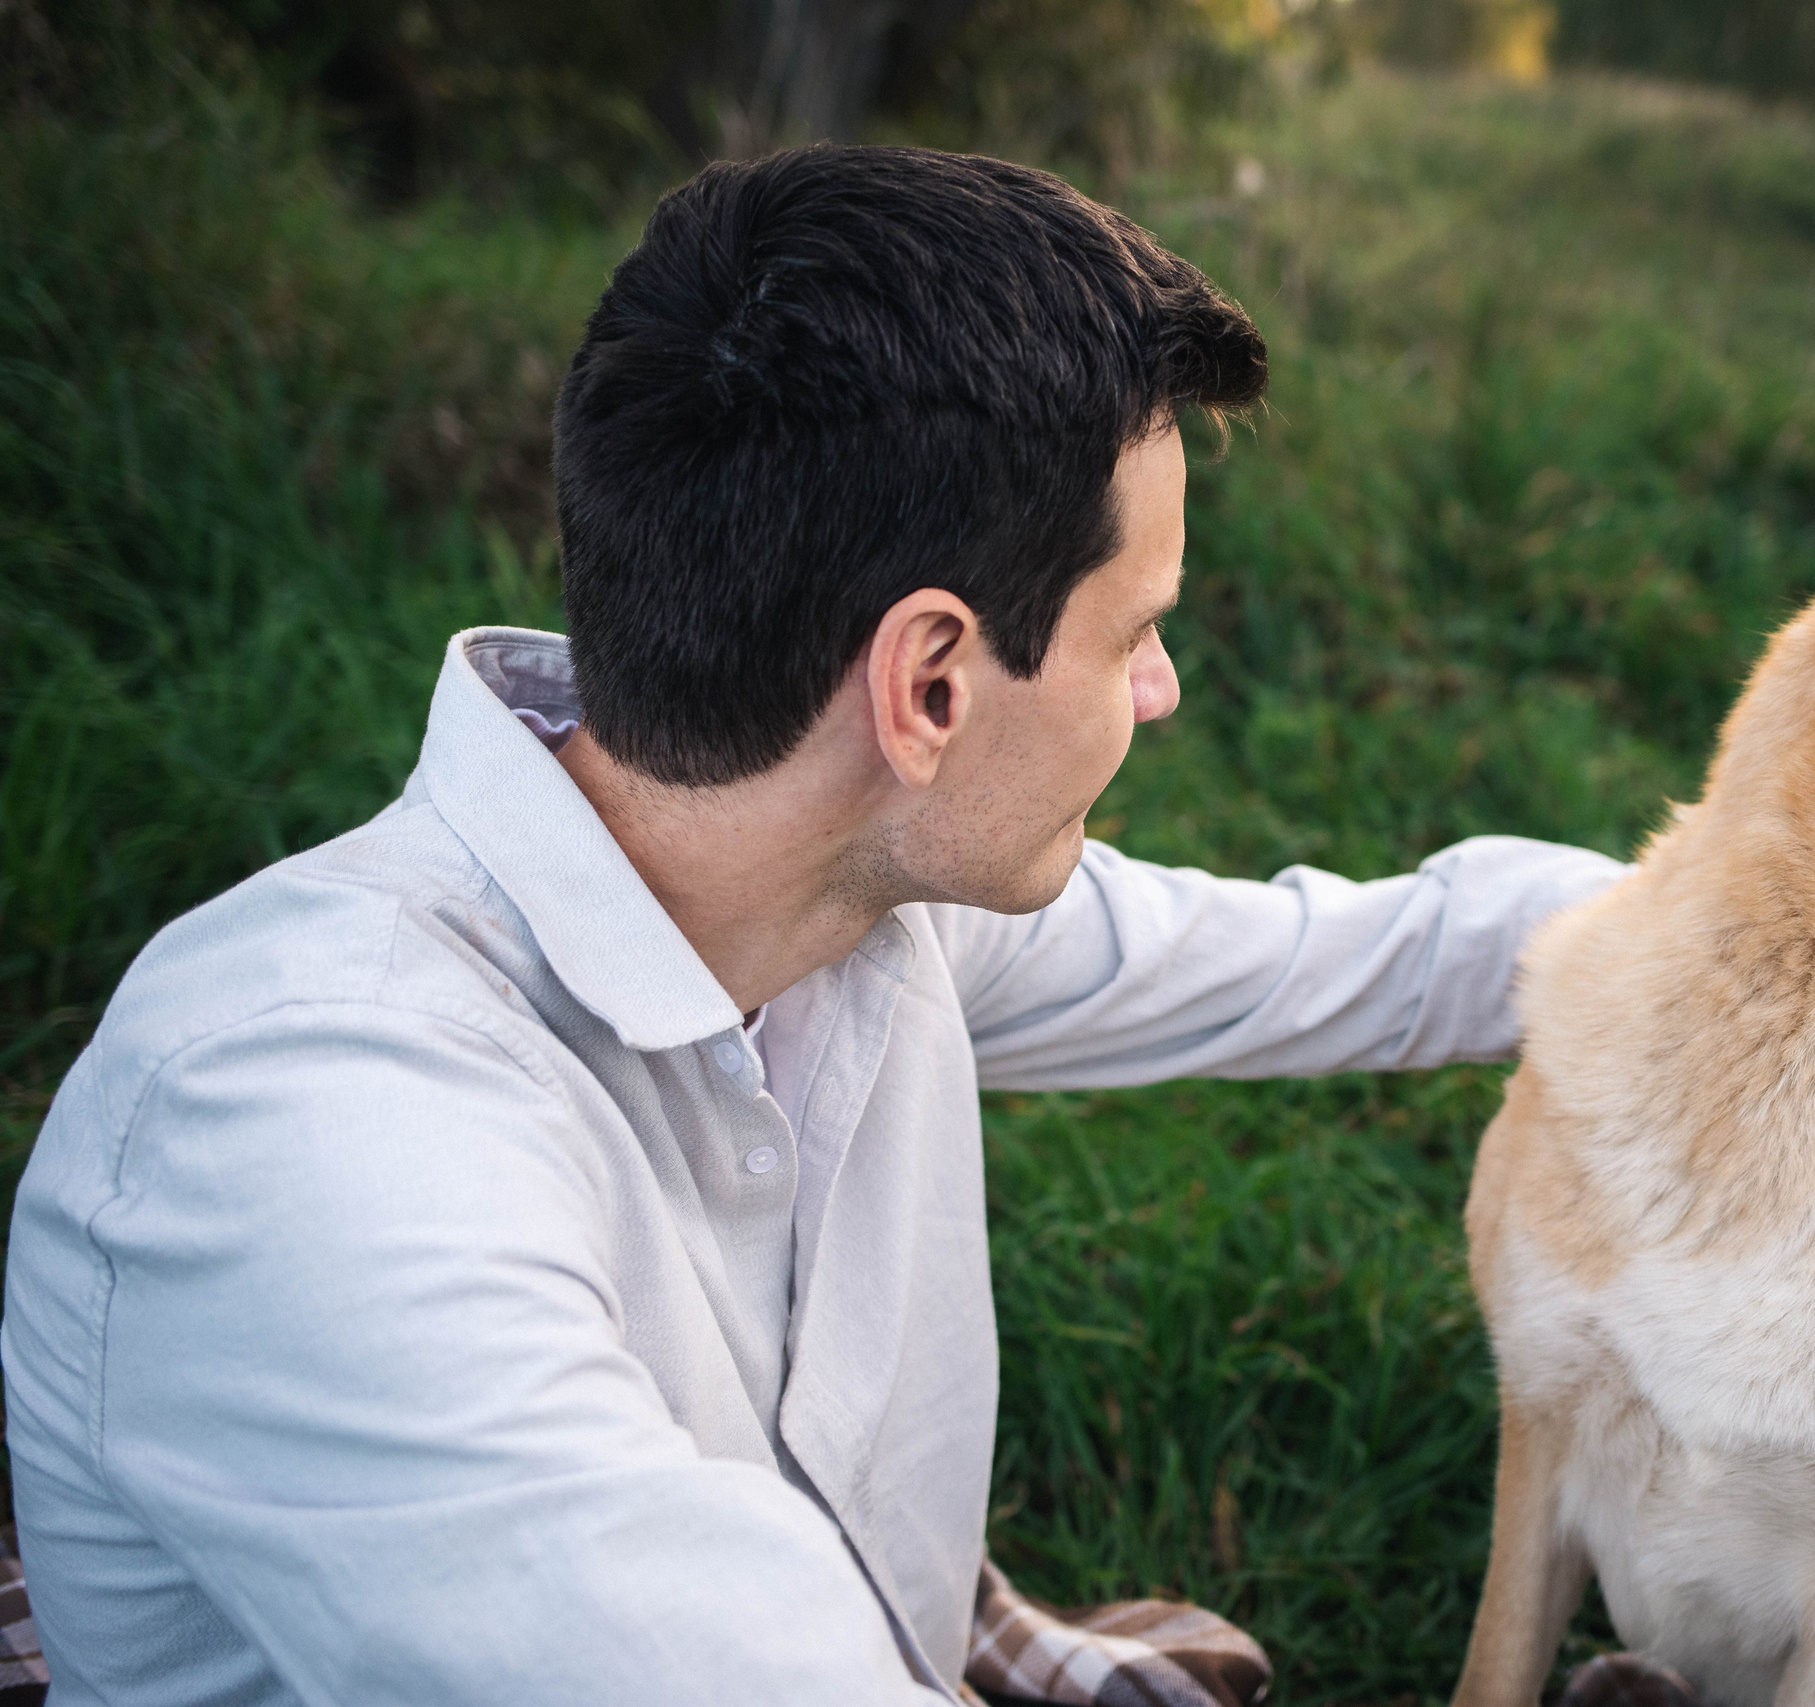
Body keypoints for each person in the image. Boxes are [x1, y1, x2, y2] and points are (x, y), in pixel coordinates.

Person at [2, 144, 1622, 1704]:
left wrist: (1782, 930)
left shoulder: (851, 893)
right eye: (1134, 634)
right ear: (928, 685)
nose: (1162, 691)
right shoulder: (309, 1137)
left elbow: (1356, 959)